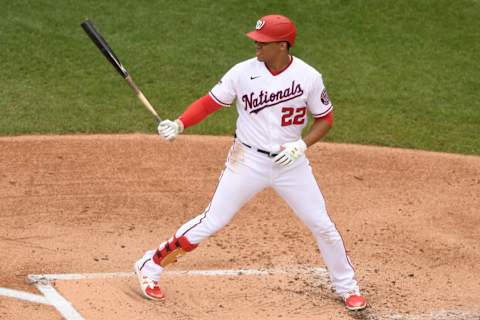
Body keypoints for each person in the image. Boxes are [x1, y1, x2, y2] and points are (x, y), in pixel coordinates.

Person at [134, 14, 367, 311]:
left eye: (263, 42)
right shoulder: (242, 73)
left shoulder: (309, 77)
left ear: (282, 45)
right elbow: (210, 103)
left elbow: (325, 119)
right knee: (212, 220)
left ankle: (348, 287)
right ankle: (149, 265)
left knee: (322, 224)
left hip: (290, 164)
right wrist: (180, 123)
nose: (256, 45)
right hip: (247, 160)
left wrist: (301, 144)